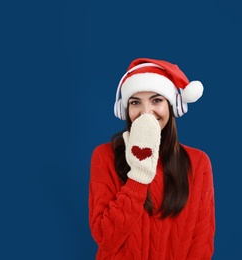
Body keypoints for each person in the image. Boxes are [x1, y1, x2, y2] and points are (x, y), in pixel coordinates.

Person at [89, 58, 215, 259]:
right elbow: (106, 239)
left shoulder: (198, 162)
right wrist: (139, 175)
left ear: (171, 106)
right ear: (126, 109)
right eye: (135, 102)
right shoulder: (104, 156)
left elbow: (201, 244)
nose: (146, 112)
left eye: (156, 100)